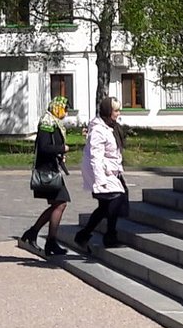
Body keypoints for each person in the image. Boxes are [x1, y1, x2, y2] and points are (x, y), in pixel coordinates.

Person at [19, 97, 71, 257]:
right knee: (61, 203)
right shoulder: (47, 124)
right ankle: (49, 241)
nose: (67, 113)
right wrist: (62, 148)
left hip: (52, 169)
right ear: (57, 108)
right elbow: (44, 147)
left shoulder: (54, 123)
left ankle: (36, 234)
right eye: (65, 109)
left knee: (58, 204)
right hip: (47, 171)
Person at [74, 95, 127, 252]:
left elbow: (114, 152)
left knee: (105, 206)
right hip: (102, 172)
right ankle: (109, 235)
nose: (118, 113)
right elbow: (95, 157)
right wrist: (100, 180)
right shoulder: (98, 130)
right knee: (116, 197)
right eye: (116, 110)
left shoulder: (110, 126)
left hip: (110, 170)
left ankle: (85, 235)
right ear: (108, 111)